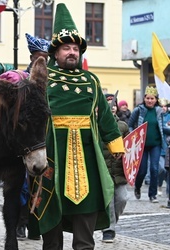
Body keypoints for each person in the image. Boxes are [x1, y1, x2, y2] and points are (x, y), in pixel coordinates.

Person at [28, 4, 125, 249]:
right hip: (52, 157)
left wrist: (116, 145)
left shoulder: (91, 80)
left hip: (88, 160)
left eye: (75, 48)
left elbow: (105, 117)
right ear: (55, 52)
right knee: (52, 218)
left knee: (86, 219)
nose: (71, 52)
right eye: (66, 48)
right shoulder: (42, 78)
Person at [16, 33, 49, 241]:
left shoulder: (52, 81)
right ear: (31, 58)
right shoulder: (20, 79)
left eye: (46, 58)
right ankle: (20, 223)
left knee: (41, 187)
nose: (43, 62)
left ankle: (37, 225)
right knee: (22, 185)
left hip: (44, 141)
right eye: (39, 57)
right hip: (24, 142)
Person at [128, 86, 169, 203]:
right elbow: (130, 124)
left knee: (155, 169)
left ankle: (153, 195)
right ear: (144, 98)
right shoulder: (138, 110)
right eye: (148, 98)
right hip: (141, 145)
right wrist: (133, 136)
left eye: (152, 98)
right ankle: (137, 186)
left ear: (156, 100)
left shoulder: (159, 111)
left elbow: (162, 126)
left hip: (155, 144)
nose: (150, 101)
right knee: (142, 171)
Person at [101, 93, 129, 243]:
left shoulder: (123, 126)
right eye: (108, 104)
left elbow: (131, 147)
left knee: (122, 199)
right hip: (104, 171)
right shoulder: (97, 125)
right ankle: (108, 230)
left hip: (119, 171)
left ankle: (111, 223)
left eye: (114, 104)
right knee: (109, 202)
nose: (112, 107)